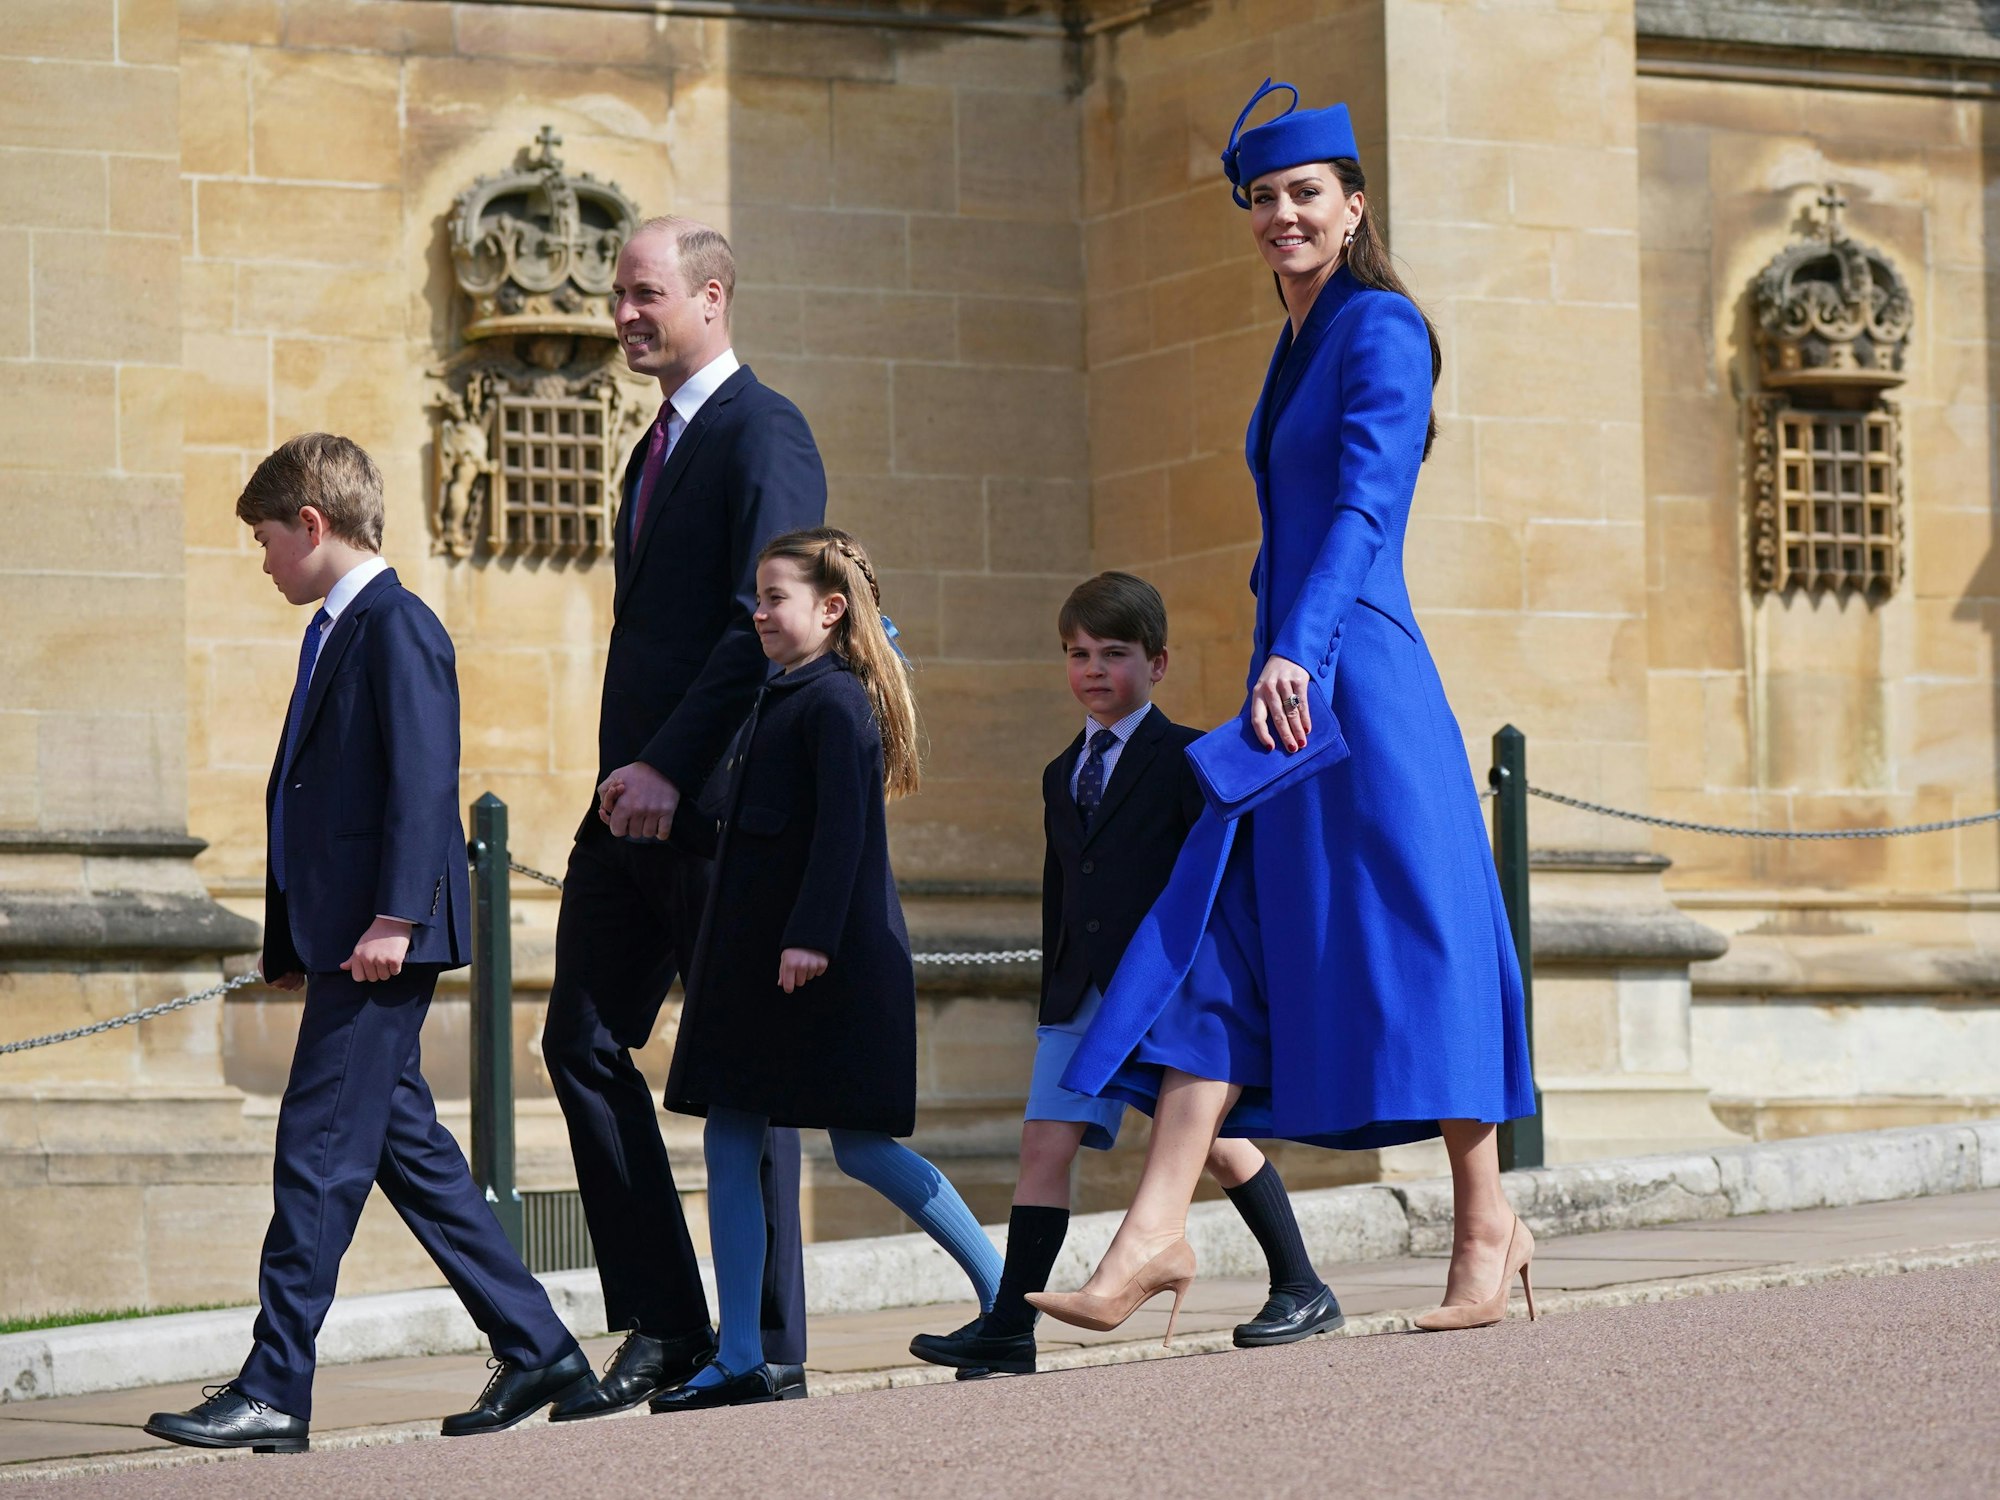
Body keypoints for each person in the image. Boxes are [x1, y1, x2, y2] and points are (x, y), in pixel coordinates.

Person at [1030, 81, 1538, 1343]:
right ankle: (1153, 1233)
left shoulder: (1379, 329)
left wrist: (1296, 654)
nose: (1281, 216)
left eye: (1304, 193)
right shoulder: (1293, 337)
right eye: (1261, 199)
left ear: (1352, 202)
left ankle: (1487, 1230)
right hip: (1296, 675)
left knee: (1425, 942)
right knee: (1214, 940)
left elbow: (1365, 511)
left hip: (1354, 679)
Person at [145, 435, 594, 1456]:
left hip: (380, 940)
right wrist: (286, 937)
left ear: (311, 523)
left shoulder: (396, 626)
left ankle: (273, 1387)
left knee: (312, 1157)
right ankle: (538, 1347)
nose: (260, 562)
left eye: (264, 540)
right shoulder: (337, 629)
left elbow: (422, 781)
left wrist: (394, 917)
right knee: (411, 1156)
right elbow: (306, 796)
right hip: (346, 939)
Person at [908, 573, 1341, 1377]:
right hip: (1080, 990)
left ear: (1159, 664)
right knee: (1044, 1144)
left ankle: (1302, 1284)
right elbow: (1060, 893)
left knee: (1212, 1145)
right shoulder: (1056, 773)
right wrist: (1052, 998)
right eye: (1078, 654)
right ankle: (1009, 1325)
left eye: (1115, 652)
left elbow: (1216, 882)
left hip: (1166, 987)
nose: (1094, 669)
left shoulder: (1187, 759)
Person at [541, 218, 826, 1422]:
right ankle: (666, 1323)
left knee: (737, 1065)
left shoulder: (766, 431)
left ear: (712, 296)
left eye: (643, 295)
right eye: (619, 297)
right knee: (579, 1042)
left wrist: (668, 765)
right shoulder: (649, 448)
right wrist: (628, 777)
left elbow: (758, 622)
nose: (623, 316)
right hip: (634, 806)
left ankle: (762, 1348)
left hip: (717, 802)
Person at [653, 527, 1003, 1411]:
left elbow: (847, 833)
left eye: (775, 598)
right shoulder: (784, 695)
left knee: (862, 1147)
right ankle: (739, 1355)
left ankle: (1008, 1300)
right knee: (729, 1139)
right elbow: (758, 830)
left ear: (829, 608)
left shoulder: (837, 702)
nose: (760, 613)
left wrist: (810, 937)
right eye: (759, 598)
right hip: (754, 967)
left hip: (818, 965)